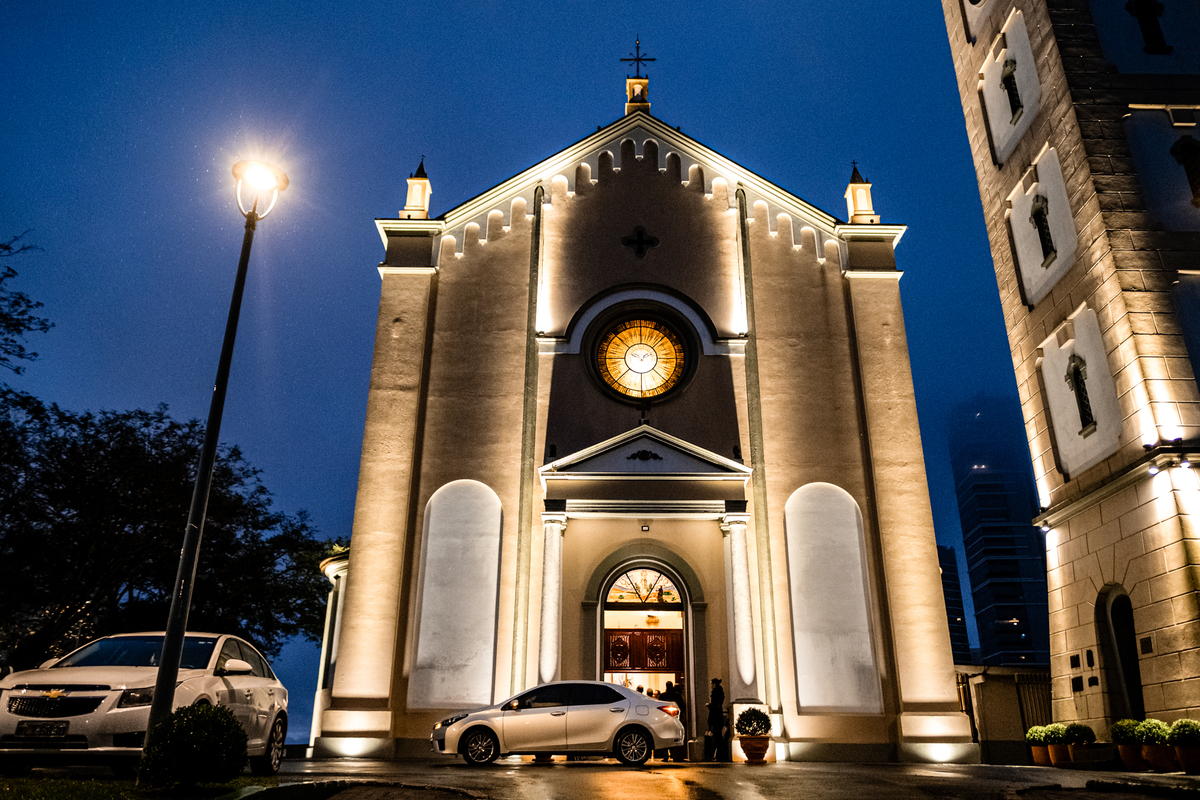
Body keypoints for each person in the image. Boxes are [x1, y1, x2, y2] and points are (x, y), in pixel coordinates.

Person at [659, 681, 685, 761]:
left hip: (665, 719)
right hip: (675, 718)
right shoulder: (677, 695)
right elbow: (682, 707)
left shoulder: (663, 695)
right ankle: (675, 755)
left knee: (664, 736)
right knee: (675, 736)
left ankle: (665, 755)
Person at [704, 678, 725, 761]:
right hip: (718, 717)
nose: (710, 685)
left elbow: (717, 705)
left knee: (716, 736)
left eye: (711, 684)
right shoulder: (720, 692)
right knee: (718, 736)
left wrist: (709, 705)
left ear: (714, 684)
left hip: (715, 717)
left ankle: (715, 755)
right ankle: (719, 755)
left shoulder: (716, 692)